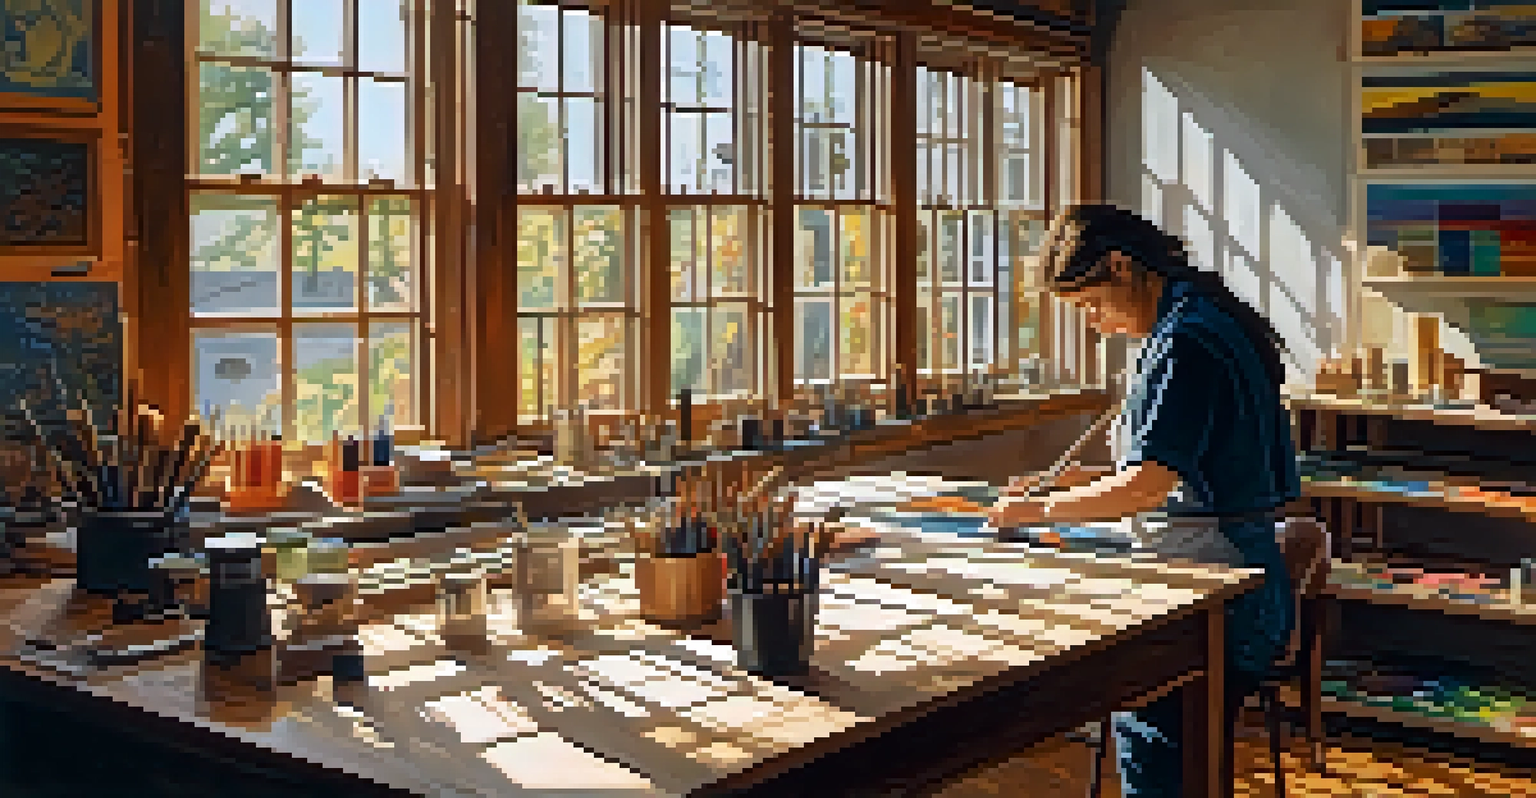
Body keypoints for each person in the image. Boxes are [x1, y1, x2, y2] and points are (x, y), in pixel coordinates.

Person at [987, 204, 1300, 797]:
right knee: (1182, 764)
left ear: (1121, 267)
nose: (1097, 325)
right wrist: (1082, 482)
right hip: (1231, 573)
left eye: (1091, 306)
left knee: (1163, 765)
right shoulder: (1201, 319)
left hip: (1215, 588)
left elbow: (1147, 488)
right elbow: (1186, 466)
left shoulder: (1186, 341)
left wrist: (1035, 511)